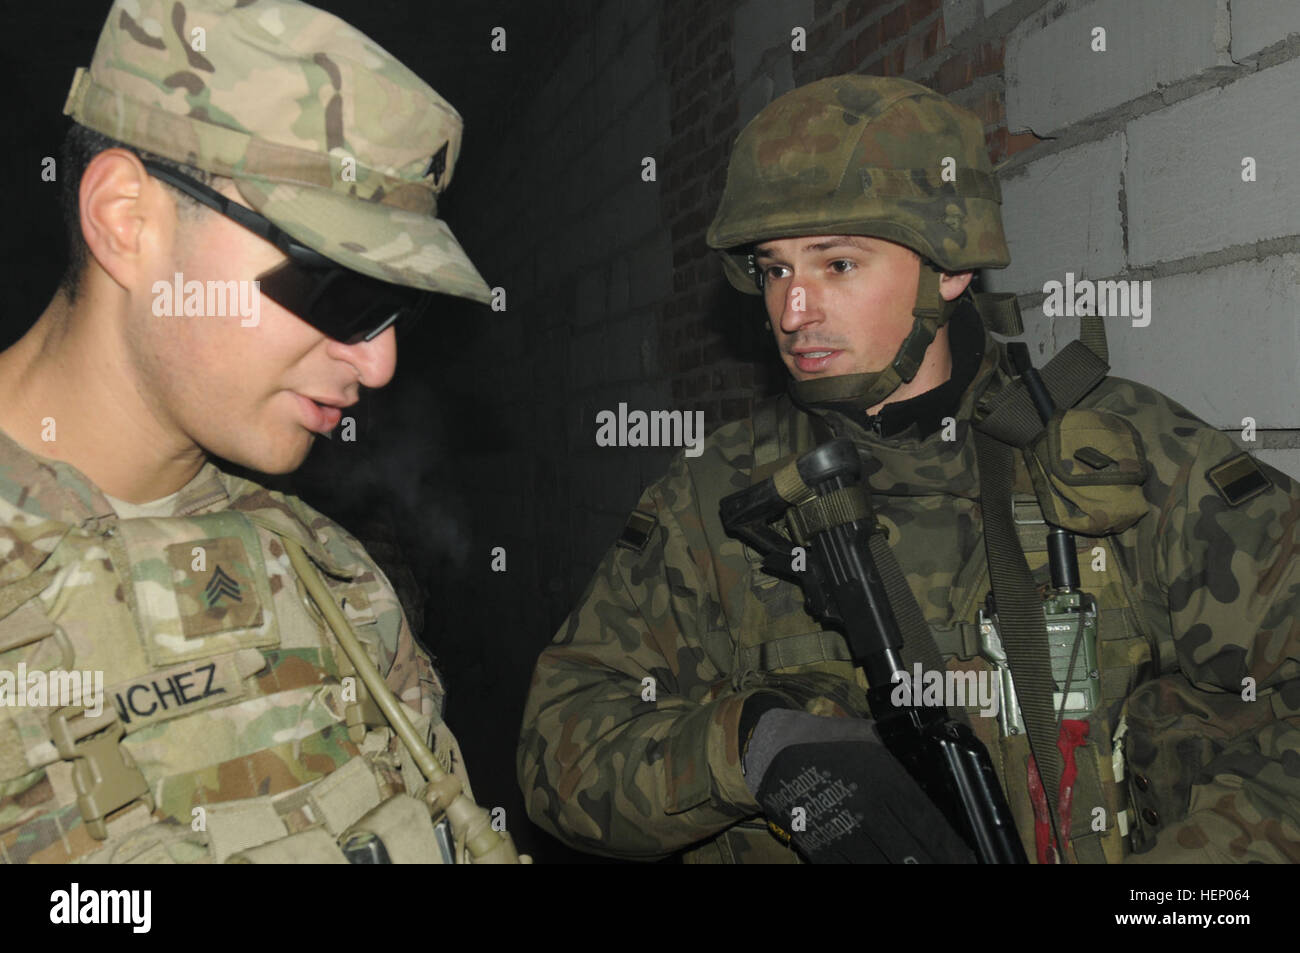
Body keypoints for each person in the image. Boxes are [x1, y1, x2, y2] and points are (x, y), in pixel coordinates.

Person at [517, 74, 1300, 863]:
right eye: (774, 268)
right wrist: (749, 744)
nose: (793, 310)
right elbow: (558, 745)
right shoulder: (714, 499)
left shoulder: (1134, 455)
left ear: (950, 268)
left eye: (838, 264)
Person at [0, 0, 519, 864]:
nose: (381, 361)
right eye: (339, 287)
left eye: (396, 306)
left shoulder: (330, 578)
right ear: (127, 219)